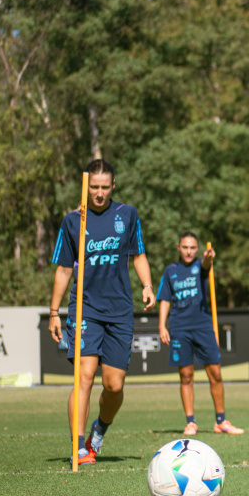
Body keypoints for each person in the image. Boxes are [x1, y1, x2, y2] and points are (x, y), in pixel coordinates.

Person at [48, 159, 156, 464]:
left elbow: (138, 255)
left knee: (114, 385)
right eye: (93, 187)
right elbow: (63, 269)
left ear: (113, 187)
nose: (98, 193)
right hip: (84, 308)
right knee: (84, 375)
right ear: (86, 186)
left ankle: (100, 429)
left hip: (120, 310)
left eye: (104, 187)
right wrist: (54, 312)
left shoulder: (127, 214)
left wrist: (147, 286)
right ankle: (78, 446)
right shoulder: (73, 221)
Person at [157, 232, 244, 436]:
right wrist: (162, 326)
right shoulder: (170, 271)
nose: (189, 251)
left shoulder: (201, 267)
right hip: (179, 328)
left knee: (215, 373)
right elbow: (165, 299)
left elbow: (206, 265)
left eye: (192, 248)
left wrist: (208, 258)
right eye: (185, 247)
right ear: (178, 247)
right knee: (186, 375)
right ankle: (191, 422)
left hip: (203, 326)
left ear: (197, 249)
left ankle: (221, 421)